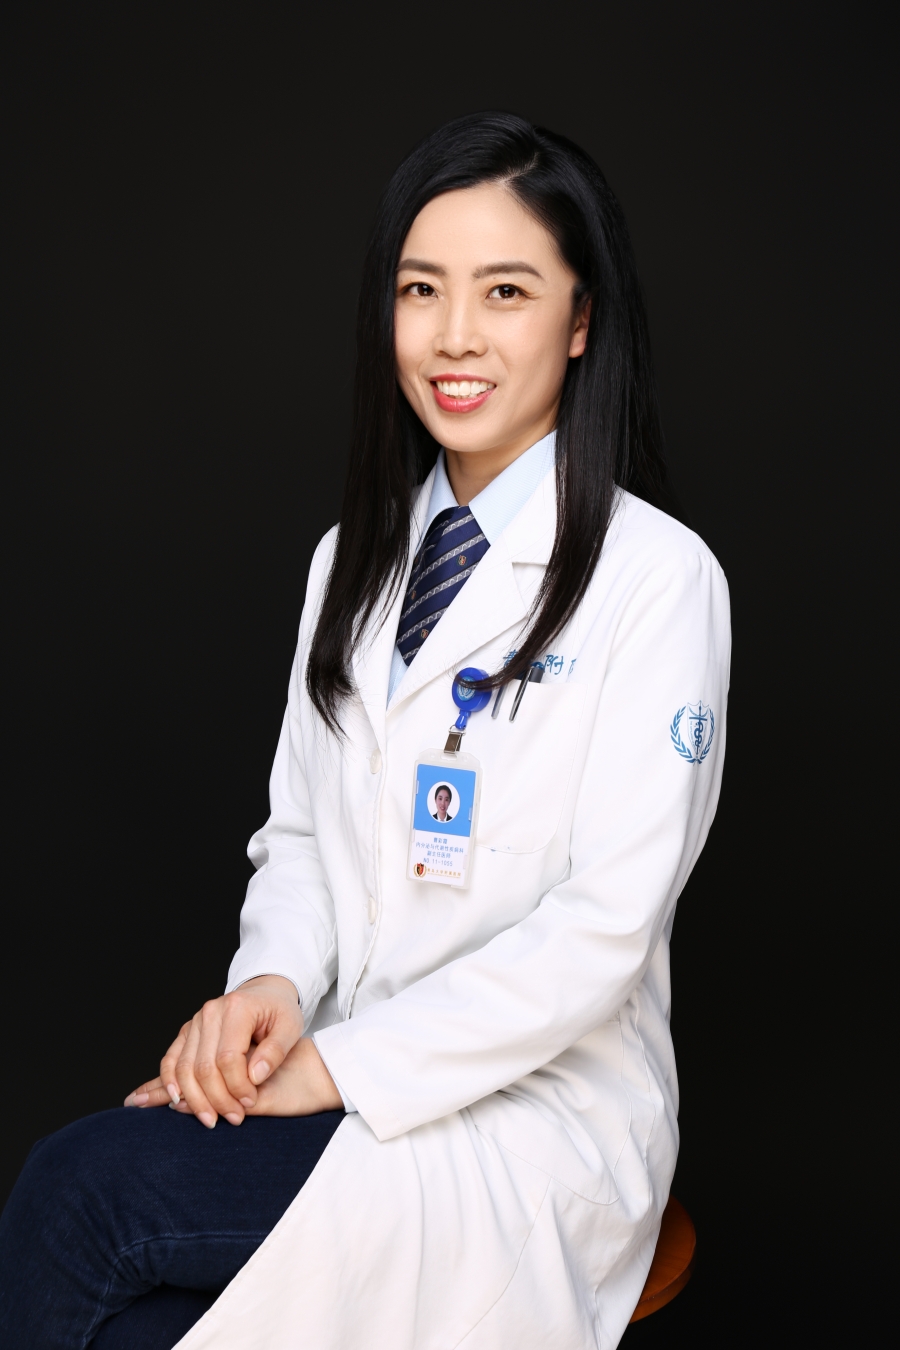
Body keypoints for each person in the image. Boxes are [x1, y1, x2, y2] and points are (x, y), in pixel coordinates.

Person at [0, 111, 730, 1349]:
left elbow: (602, 931)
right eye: (420, 289)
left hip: (534, 1124)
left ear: (581, 320)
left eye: (506, 292)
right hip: (346, 1079)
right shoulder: (354, 560)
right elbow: (300, 837)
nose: (454, 336)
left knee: (81, 1198)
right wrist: (272, 987)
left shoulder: (656, 579)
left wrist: (335, 1071)